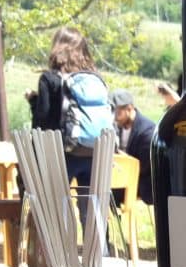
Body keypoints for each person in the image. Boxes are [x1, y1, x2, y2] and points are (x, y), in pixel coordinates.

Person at [26, 26, 104, 189]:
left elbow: (42, 123)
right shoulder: (94, 78)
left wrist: (34, 101)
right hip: (95, 152)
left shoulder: (50, 78)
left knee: (55, 208)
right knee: (90, 208)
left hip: (63, 154)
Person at [108, 88, 156, 205]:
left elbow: (144, 166)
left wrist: (125, 159)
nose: (114, 117)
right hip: (120, 176)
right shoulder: (116, 127)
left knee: (106, 192)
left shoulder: (147, 130)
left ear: (129, 109)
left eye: (117, 112)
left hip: (141, 182)